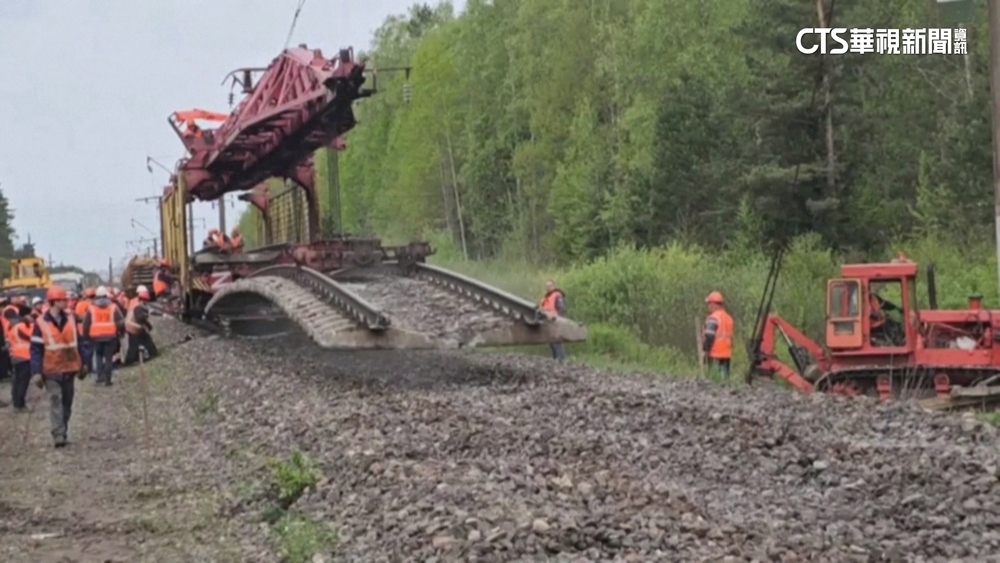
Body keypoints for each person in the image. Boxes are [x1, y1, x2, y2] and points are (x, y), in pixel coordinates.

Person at [29, 286, 87, 448]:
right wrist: (36, 372)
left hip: (69, 368)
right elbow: (35, 349)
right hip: (51, 370)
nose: (66, 302)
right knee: (56, 400)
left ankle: (63, 430)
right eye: (63, 299)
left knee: (67, 403)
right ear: (54, 301)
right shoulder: (40, 323)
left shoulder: (70, 319)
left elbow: (80, 342)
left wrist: (85, 362)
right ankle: (58, 434)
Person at [82, 286, 124, 386]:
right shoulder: (113, 306)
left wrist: (86, 337)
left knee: (98, 357)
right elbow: (120, 322)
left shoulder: (91, 308)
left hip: (96, 337)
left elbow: (86, 324)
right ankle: (108, 380)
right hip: (110, 336)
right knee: (108, 358)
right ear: (106, 295)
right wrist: (120, 332)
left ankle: (100, 377)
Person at [123, 285, 157, 365]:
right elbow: (140, 318)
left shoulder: (135, 301)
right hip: (133, 327)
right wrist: (147, 325)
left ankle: (132, 359)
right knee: (135, 345)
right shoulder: (138, 306)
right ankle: (130, 361)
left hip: (132, 326)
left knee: (135, 345)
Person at [702, 291, 733, 378]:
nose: (708, 306)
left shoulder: (713, 318)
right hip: (727, 355)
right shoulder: (728, 318)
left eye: (709, 304)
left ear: (713, 304)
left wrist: (705, 350)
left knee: (713, 379)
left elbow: (709, 336)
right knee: (725, 380)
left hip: (715, 354)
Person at [8, 308, 33, 412]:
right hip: (25, 357)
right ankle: (20, 405)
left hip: (15, 357)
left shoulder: (11, 329)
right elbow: (31, 337)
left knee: (17, 381)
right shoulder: (22, 327)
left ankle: (16, 401)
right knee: (23, 382)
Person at [540, 280, 567, 362]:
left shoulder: (557, 296)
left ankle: (560, 360)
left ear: (554, 286)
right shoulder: (546, 298)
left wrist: (558, 319)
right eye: (547, 286)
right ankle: (555, 359)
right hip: (548, 322)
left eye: (550, 286)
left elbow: (561, 309)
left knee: (557, 341)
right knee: (552, 342)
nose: (548, 288)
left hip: (555, 321)